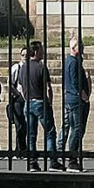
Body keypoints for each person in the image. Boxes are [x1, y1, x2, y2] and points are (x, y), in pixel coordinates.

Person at [22, 40, 59, 170]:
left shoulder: (24, 67)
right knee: (50, 132)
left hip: (28, 102)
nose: (43, 52)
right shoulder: (41, 67)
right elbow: (48, 87)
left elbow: (21, 86)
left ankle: (32, 161)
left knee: (31, 134)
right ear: (36, 51)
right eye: (42, 50)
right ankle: (53, 160)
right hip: (40, 101)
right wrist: (50, 101)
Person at [61, 34, 91, 168]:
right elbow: (75, 81)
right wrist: (83, 94)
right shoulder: (73, 62)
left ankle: (73, 156)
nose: (83, 48)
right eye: (81, 46)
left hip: (72, 98)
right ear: (74, 48)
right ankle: (72, 159)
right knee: (77, 129)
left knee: (75, 128)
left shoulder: (71, 61)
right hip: (76, 99)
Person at [7, 51, 30, 157]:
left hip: (29, 100)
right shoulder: (17, 67)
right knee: (20, 125)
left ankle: (23, 148)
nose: (25, 57)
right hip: (18, 100)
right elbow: (10, 83)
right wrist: (18, 95)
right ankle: (20, 149)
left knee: (26, 126)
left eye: (27, 54)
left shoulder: (31, 67)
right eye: (23, 55)